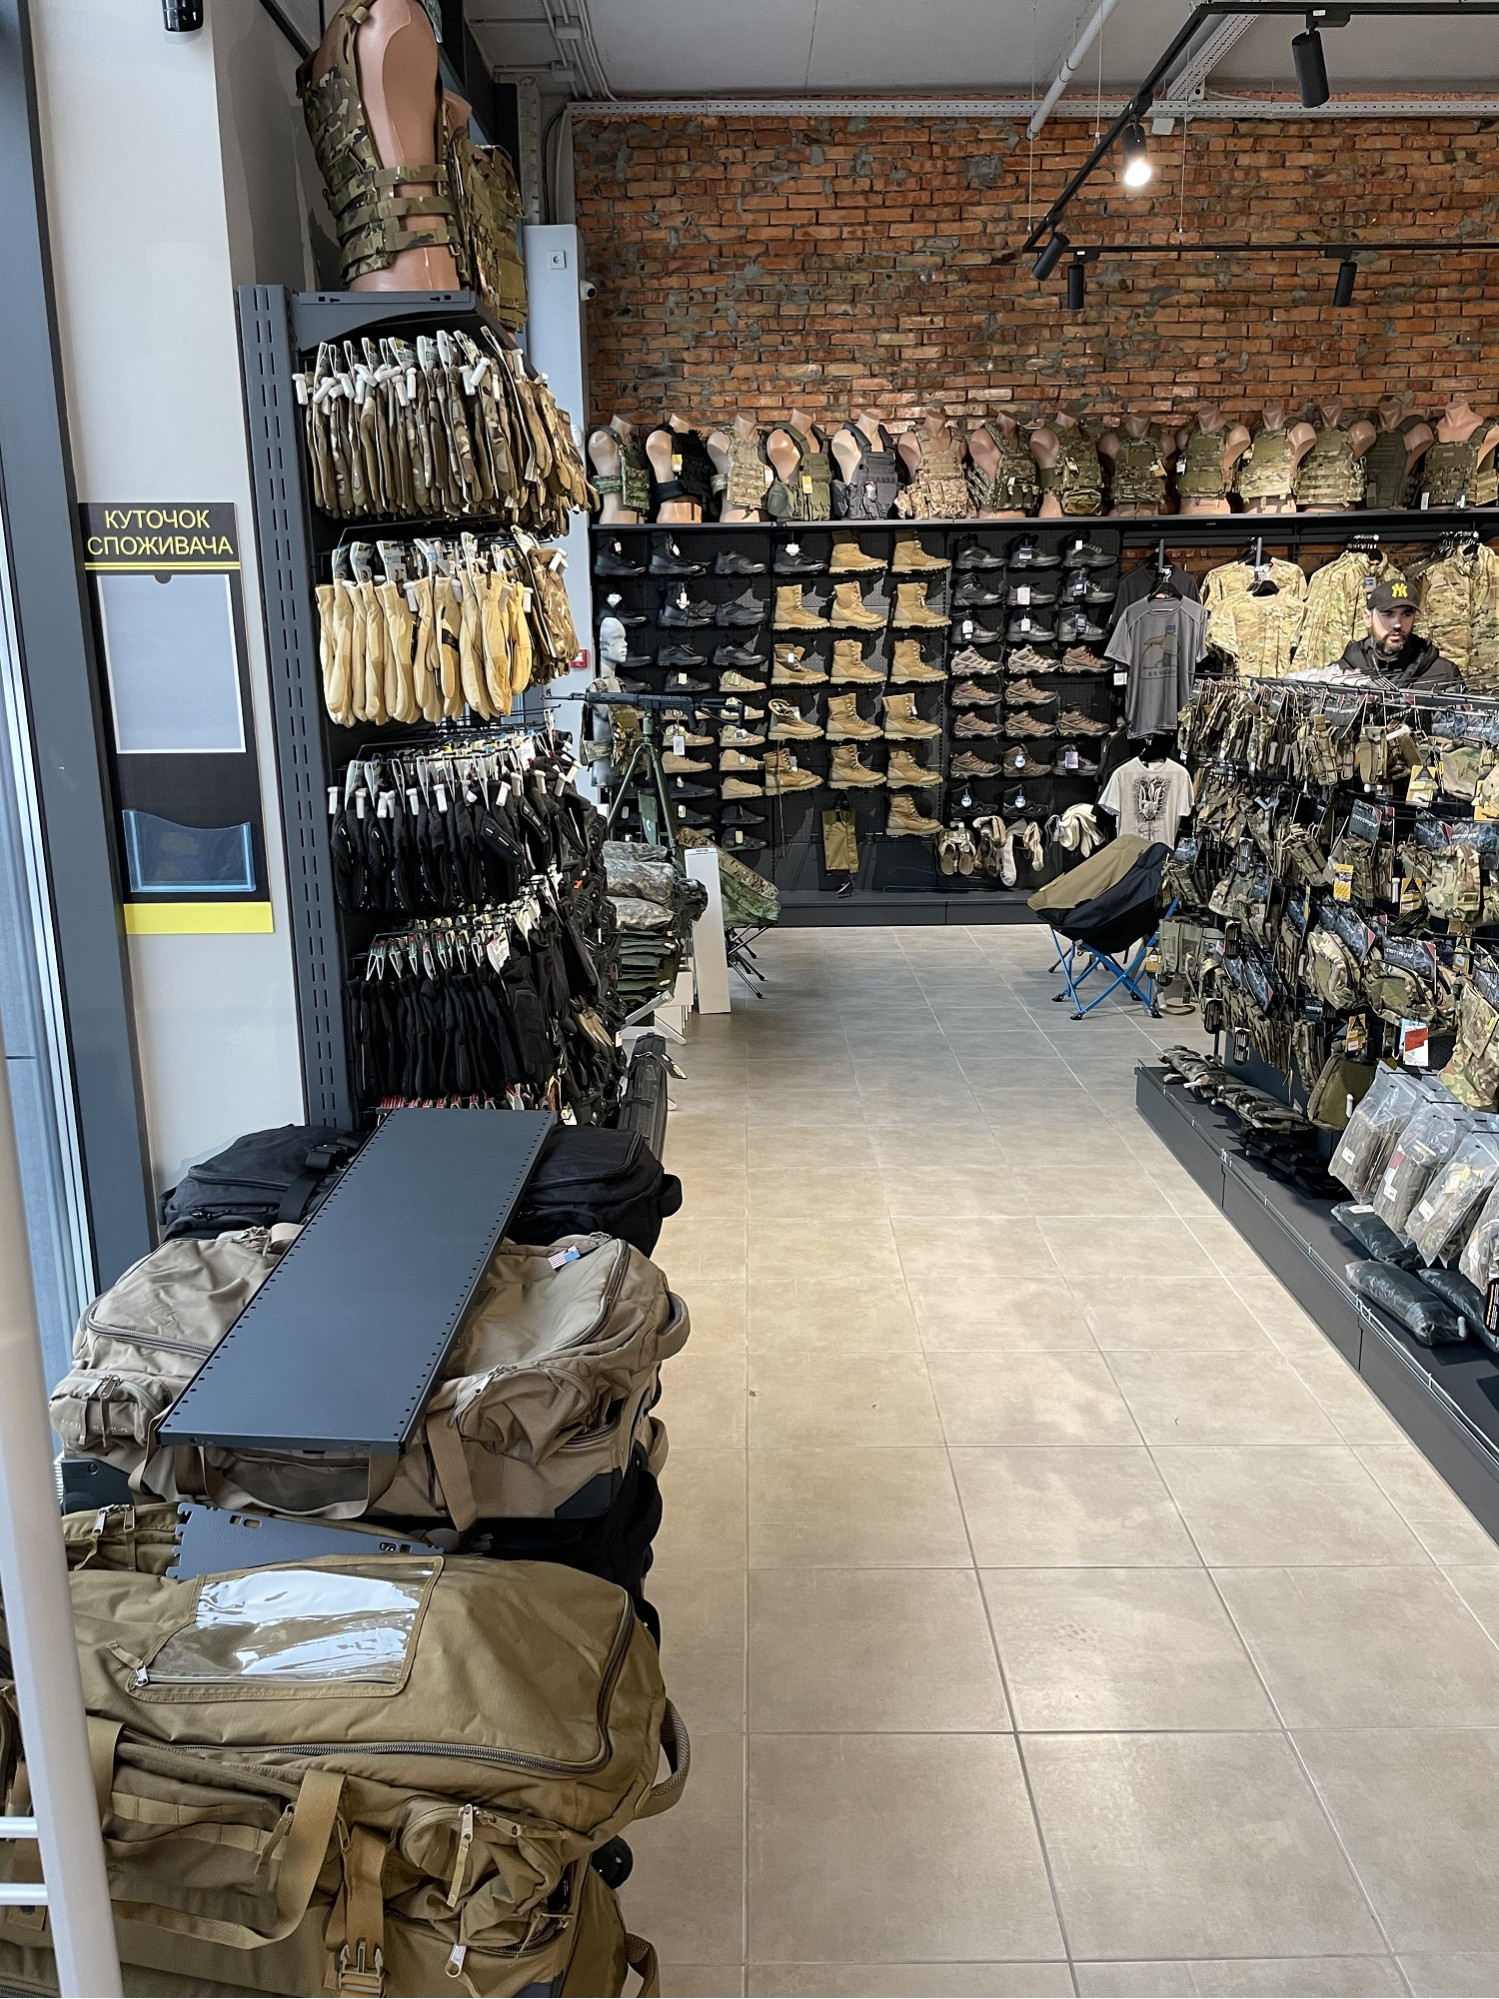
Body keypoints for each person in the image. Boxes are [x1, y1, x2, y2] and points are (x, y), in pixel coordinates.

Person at [1334, 578, 1462, 689]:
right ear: (1368, 618)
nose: (1397, 624)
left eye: (1406, 614)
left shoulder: (1443, 674)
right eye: (1388, 614)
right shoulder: (1341, 673)